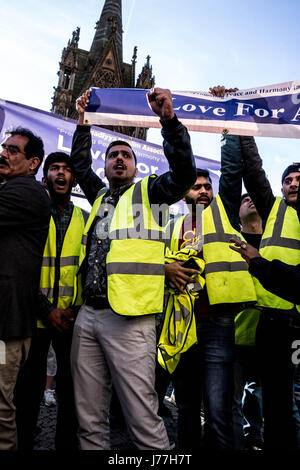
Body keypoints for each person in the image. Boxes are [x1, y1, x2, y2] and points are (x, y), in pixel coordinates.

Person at [69, 87, 196, 450]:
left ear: (137, 167)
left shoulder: (149, 193)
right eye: (113, 156)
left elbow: (184, 174)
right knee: (89, 420)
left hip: (130, 320)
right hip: (88, 316)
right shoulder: (99, 197)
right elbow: (80, 165)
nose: (120, 160)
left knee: (143, 421)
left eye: (126, 155)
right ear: (105, 165)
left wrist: (169, 122)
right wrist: (84, 122)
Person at [164, 131, 257, 449]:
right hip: (183, 326)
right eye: (196, 186)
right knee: (186, 409)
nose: (203, 191)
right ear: (184, 194)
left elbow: (232, 171)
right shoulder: (174, 227)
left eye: (207, 187)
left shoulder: (224, 214)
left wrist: (228, 130)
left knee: (218, 412)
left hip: (217, 325)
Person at [227, 134, 300, 450]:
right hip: (273, 324)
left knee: (290, 402)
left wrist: (259, 263)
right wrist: (239, 127)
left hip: (296, 323)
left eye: (299, 179)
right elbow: (254, 172)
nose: (293, 184)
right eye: (288, 180)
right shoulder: (275, 211)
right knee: (276, 403)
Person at [15, 152, 88, 450]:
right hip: (36, 315)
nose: (61, 174)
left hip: (71, 318)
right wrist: (47, 310)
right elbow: (21, 263)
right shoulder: (32, 211)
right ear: (44, 177)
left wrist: (73, 309)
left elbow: (89, 267)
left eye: (67, 169)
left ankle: (66, 444)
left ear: (74, 178)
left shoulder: (86, 217)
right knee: (29, 388)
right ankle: (24, 440)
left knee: (71, 389)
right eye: (55, 168)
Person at [0, 127, 51, 450]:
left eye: (13, 150)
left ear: (33, 163)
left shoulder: (27, 193)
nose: (3, 153)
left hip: (7, 325)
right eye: (3, 147)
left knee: (0, 413)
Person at [232, 194, 263, 450]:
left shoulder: (276, 241)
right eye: (244, 198)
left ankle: (256, 434)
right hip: (234, 332)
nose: (250, 200)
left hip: (273, 331)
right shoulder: (229, 242)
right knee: (235, 395)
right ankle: (246, 438)